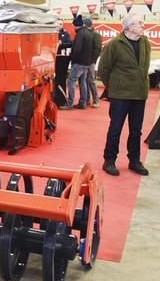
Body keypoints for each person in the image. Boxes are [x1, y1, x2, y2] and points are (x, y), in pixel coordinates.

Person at [98, 14, 151, 177]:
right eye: (139, 23)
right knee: (115, 128)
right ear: (129, 27)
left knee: (136, 130)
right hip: (120, 95)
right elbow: (103, 69)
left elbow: (145, 65)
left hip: (139, 94)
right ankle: (109, 160)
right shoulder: (115, 44)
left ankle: (134, 160)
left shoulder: (145, 43)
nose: (142, 25)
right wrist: (114, 87)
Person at [59, 15, 93, 110]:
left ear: (76, 25)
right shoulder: (87, 33)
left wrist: (72, 57)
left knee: (71, 81)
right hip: (86, 62)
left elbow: (77, 49)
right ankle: (82, 102)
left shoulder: (80, 34)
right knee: (82, 81)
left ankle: (70, 103)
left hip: (78, 62)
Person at [84, 17, 102, 108]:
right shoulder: (85, 33)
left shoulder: (96, 35)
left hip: (90, 61)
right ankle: (87, 99)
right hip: (84, 61)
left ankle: (96, 100)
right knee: (84, 80)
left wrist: (92, 60)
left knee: (90, 81)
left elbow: (98, 49)